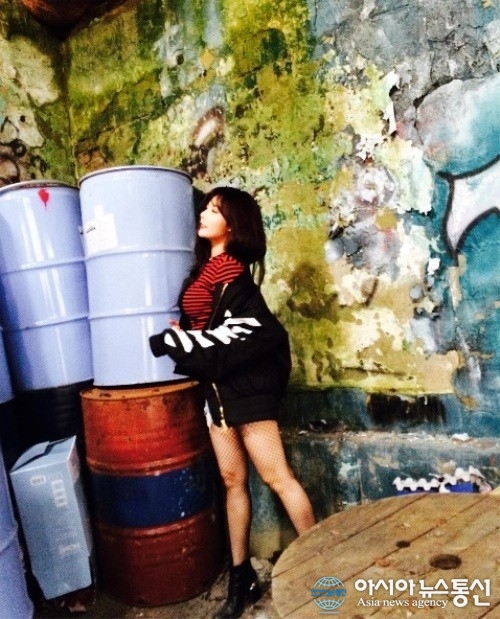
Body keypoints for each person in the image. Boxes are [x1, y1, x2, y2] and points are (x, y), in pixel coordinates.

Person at [149, 186, 316, 619]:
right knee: (231, 480)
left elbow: (249, 333)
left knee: (278, 478)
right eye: (205, 207)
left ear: (233, 224)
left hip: (246, 393)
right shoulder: (202, 274)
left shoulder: (236, 278)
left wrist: (192, 339)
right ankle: (241, 577)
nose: (204, 214)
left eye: (214, 210)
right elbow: (204, 328)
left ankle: (322, 568)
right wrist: (186, 333)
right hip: (216, 392)